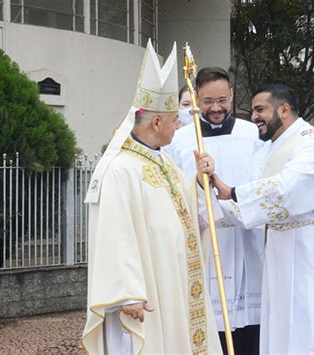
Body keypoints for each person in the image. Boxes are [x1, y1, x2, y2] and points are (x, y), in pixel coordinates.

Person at [82, 40, 222, 355]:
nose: (179, 128)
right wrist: (128, 292)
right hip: (145, 294)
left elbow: (183, 211)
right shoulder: (120, 169)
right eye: (175, 120)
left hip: (173, 281)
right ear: (156, 122)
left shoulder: (165, 163)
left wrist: (200, 184)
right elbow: (115, 233)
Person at [206, 84, 314, 354]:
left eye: (261, 110)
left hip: (313, 250)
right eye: (253, 111)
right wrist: (210, 194)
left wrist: (232, 192)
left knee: (312, 323)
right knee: (283, 325)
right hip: (280, 252)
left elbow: (289, 188)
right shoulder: (266, 152)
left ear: (284, 109)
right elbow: (251, 209)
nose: (254, 117)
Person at [166, 67, 264, 354]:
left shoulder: (252, 134)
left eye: (223, 99)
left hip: (247, 242)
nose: (217, 108)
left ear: (232, 95)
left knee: (249, 329)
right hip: (206, 242)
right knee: (210, 326)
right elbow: (174, 189)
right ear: (196, 99)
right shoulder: (180, 140)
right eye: (208, 101)